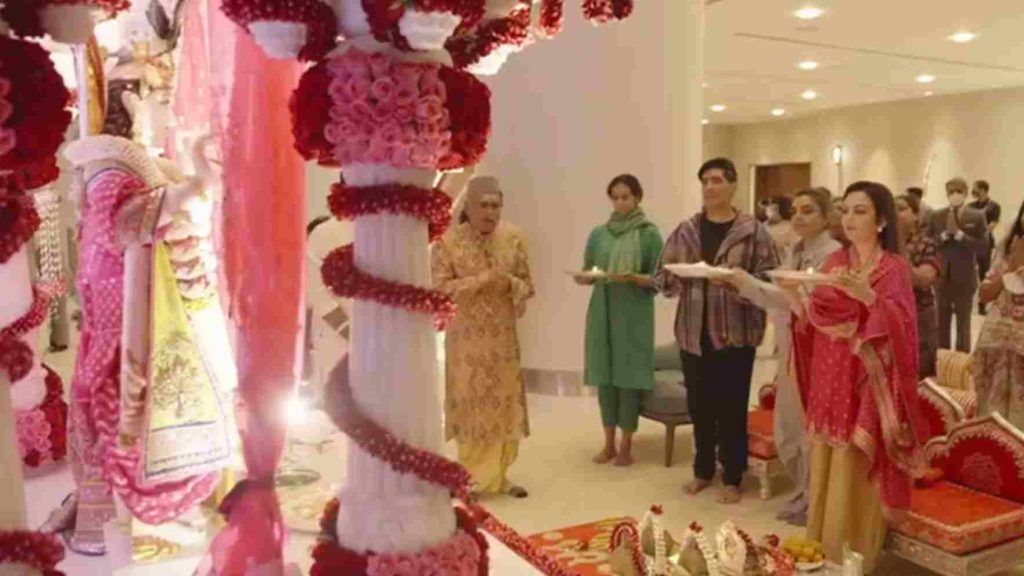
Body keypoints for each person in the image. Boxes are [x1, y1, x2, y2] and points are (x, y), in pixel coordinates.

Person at [782, 181, 925, 573]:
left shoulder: (893, 268)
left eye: (860, 211)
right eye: (845, 210)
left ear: (881, 221)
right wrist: (793, 296)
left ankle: (853, 554)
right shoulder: (834, 263)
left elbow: (905, 329)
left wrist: (869, 298)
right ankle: (822, 549)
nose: (849, 218)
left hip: (869, 379)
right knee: (827, 454)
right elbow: (816, 321)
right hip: (831, 373)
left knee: (857, 455)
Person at [653, 157, 779, 504]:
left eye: (717, 180)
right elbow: (661, 278)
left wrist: (737, 281)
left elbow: (770, 279)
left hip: (736, 333)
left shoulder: (753, 232)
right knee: (700, 406)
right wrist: (679, 275)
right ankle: (702, 469)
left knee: (732, 407)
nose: (710, 187)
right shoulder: (686, 230)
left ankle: (733, 475)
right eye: (705, 181)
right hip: (693, 333)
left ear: (733, 185)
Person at [727, 187, 840, 525]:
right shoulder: (795, 251)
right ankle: (804, 491)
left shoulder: (832, 254)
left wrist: (748, 283)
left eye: (808, 211)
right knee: (788, 425)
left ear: (825, 217)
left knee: (809, 425)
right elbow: (782, 299)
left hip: (818, 351)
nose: (800, 217)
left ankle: (816, 498)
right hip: (792, 346)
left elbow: (805, 300)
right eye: (797, 210)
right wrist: (743, 284)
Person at [432, 176, 535, 499]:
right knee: (471, 403)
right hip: (466, 341)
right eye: (484, 205)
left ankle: (500, 477)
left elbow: (527, 284)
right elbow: (439, 290)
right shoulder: (447, 242)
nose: (491, 212)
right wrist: (479, 281)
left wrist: (509, 284)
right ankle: (470, 478)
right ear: (468, 206)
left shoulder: (514, 237)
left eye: (496, 205)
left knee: (503, 404)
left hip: (502, 341)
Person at [577, 175, 663, 467]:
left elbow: (660, 278)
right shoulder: (599, 234)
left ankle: (627, 444)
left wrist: (632, 278)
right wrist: (584, 277)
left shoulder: (649, 234)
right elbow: (589, 270)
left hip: (634, 313)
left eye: (626, 196)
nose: (620, 202)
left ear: (638, 197)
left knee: (628, 379)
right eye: (615, 197)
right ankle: (608, 442)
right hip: (602, 311)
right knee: (605, 378)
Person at [972, 199, 1024, 428]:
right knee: (991, 410)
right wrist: (1011, 270)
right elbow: (985, 294)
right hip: (997, 340)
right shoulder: (1007, 246)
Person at [927, 178, 988, 352]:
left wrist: (962, 236)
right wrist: (943, 237)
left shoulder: (976, 216)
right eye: (951, 191)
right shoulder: (937, 216)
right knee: (941, 325)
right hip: (942, 277)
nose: (955, 194)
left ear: (966, 192)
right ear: (946, 193)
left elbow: (983, 247)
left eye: (958, 191)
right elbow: (928, 243)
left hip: (965, 278)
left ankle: (961, 366)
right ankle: (943, 363)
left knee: (963, 325)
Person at [896, 194, 941, 378]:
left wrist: (898, 246)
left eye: (901, 208)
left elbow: (922, 279)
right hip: (888, 318)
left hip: (918, 318)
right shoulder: (877, 246)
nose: (895, 214)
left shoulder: (926, 244)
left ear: (916, 215)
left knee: (918, 376)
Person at [970, 180, 1002, 314]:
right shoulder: (970, 206)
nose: (973, 191)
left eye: (975, 188)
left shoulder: (994, 206)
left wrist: (978, 230)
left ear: (983, 189)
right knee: (968, 272)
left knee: (984, 273)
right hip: (970, 242)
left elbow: (992, 225)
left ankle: (982, 303)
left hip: (985, 243)